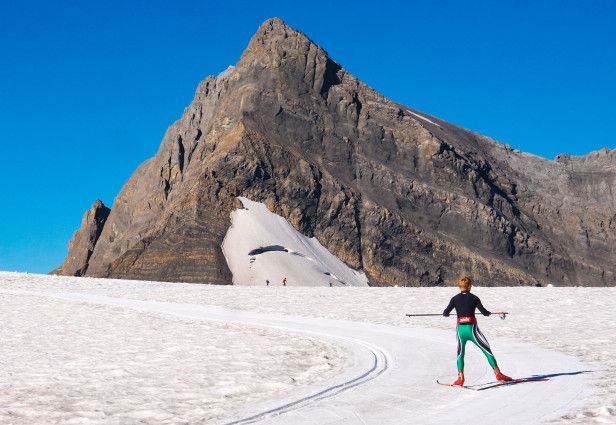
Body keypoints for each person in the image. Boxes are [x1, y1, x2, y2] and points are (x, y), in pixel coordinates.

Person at [443, 276, 512, 386]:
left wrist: (446, 313)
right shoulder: (474, 298)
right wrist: (488, 313)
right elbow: (484, 312)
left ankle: (460, 378)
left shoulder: (454, 299)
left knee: (460, 354)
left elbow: (446, 312)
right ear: (469, 286)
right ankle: (498, 373)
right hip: (472, 330)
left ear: (460, 287)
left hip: (461, 330)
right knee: (487, 350)